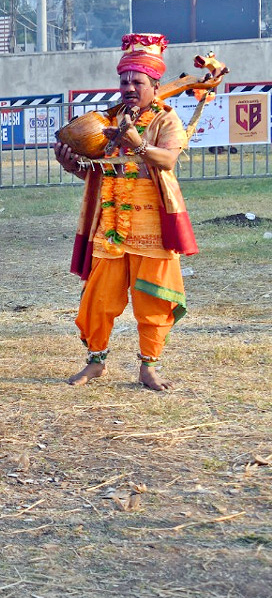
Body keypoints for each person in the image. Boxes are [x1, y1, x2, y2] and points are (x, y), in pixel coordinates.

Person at [54, 33, 195, 392]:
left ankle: (148, 367)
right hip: (112, 223)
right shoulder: (107, 121)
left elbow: (168, 159)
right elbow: (98, 169)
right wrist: (73, 167)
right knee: (99, 298)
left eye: (138, 81)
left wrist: (137, 143)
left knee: (153, 300)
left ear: (155, 85)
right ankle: (96, 363)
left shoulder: (166, 119)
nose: (129, 87)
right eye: (124, 80)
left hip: (152, 226)